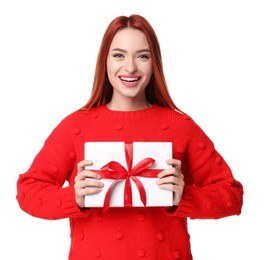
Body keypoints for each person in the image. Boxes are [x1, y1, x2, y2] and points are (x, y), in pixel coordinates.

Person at [16, 14, 244, 260]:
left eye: (143, 56)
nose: (131, 67)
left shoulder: (181, 125)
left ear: (154, 62)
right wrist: (73, 196)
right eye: (119, 55)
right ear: (105, 61)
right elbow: (28, 192)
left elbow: (232, 195)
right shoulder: (75, 126)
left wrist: (184, 195)